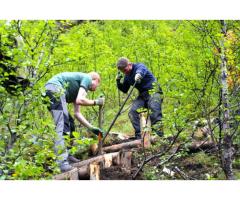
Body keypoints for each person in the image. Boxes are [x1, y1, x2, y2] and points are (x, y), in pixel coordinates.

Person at [45, 72, 104, 172]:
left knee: (70, 123)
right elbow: (80, 100)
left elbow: (77, 113)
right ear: (95, 80)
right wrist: (96, 102)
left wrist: (91, 128)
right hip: (55, 89)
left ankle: (68, 156)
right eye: (98, 84)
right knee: (62, 124)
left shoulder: (78, 87)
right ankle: (61, 163)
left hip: (52, 90)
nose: (96, 88)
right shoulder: (87, 78)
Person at [116, 57, 163, 139]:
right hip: (143, 95)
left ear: (130, 64)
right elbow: (124, 89)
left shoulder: (139, 66)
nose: (124, 72)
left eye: (125, 70)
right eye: (122, 71)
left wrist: (138, 75)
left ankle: (158, 137)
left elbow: (141, 70)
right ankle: (140, 136)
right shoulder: (127, 76)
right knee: (133, 112)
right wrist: (118, 81)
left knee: (154, 111)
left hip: (154, 92)